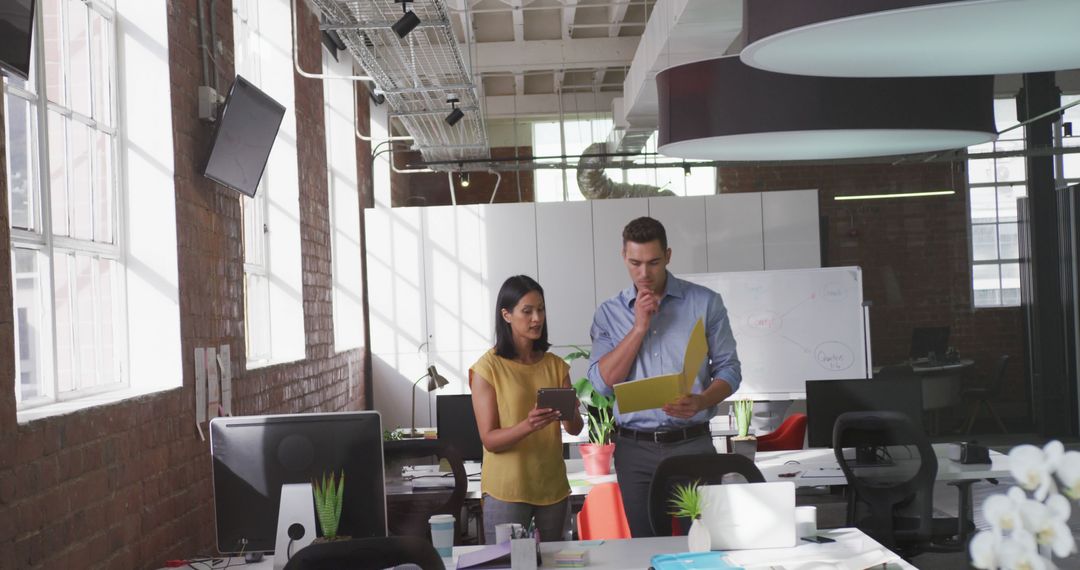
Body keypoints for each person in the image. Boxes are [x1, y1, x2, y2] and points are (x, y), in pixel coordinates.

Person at [587, 216, 741, 537]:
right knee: (645, 545)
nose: (644, 273)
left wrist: (702, 400)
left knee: (702, 543)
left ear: (668, 256)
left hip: (692, 444)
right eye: (635, 263)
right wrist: (639, 327)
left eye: (654, 262)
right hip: (635, 450)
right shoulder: (609, 313)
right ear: (623, 258)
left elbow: (729, 369)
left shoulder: (705, 303)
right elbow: (602, 383)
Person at [470, 275, 585, 543]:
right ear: (507, 315)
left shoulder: (556, 365)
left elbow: (575, 428)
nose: (537, 318)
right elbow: (490, 440)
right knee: (505, 564)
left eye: (541, 309)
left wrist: (571, 411)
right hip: (506, 490)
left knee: (556, 562)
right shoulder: (487, 368)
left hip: (552, 487)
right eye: (528, 311)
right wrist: (528, 425)